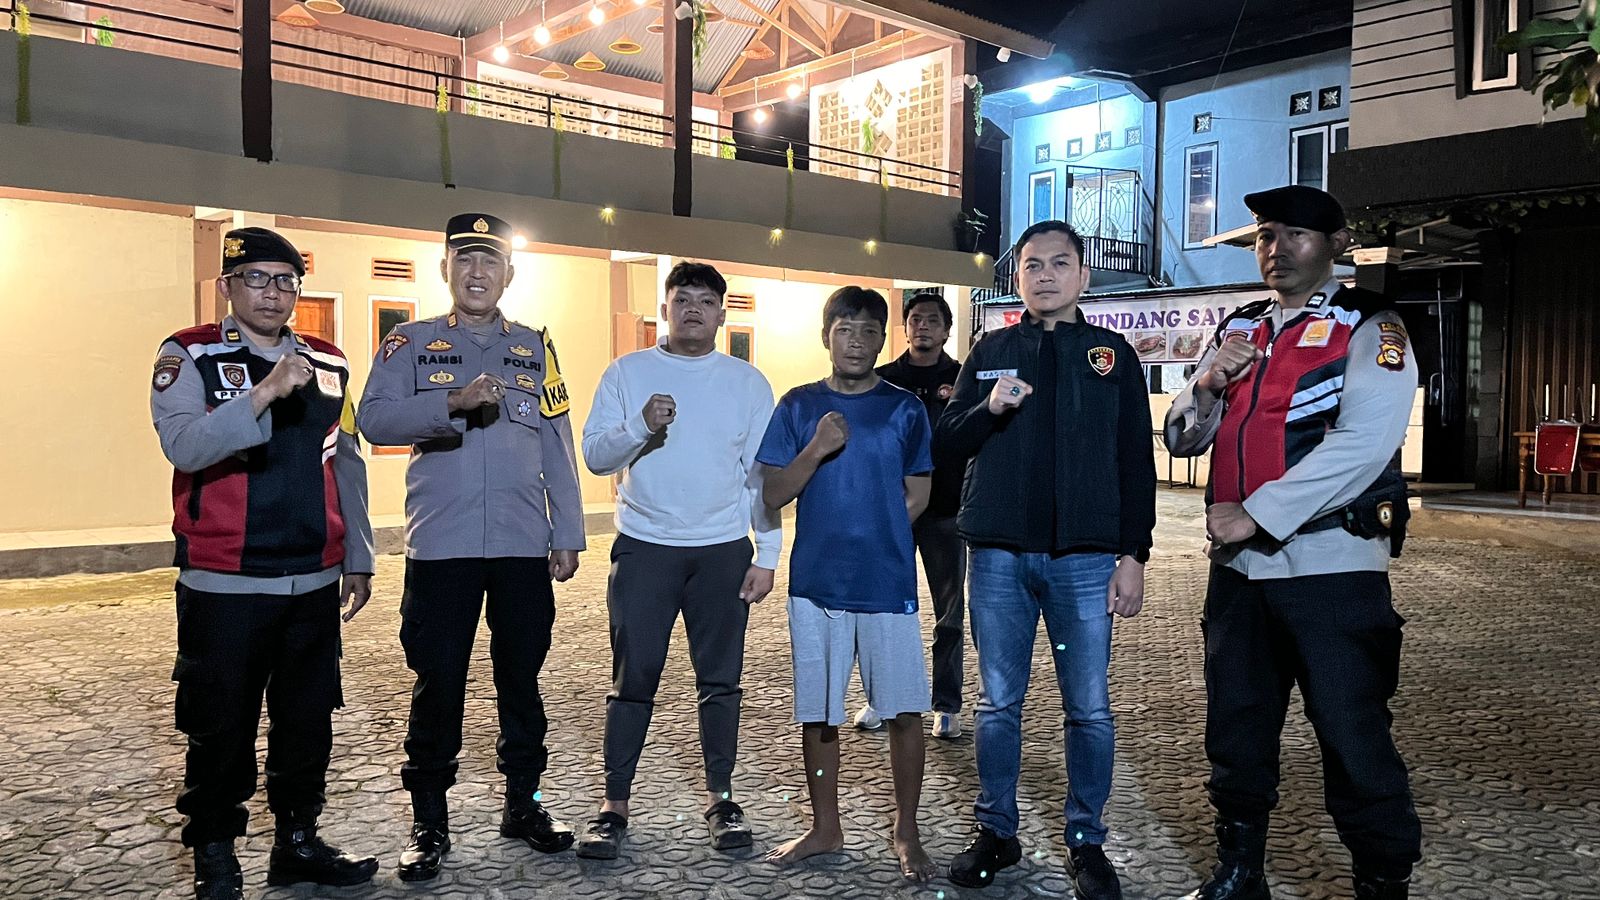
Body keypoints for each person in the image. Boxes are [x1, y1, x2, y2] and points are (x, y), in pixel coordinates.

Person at [1164, 185, 1420, 900]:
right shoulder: (1242, 325)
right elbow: (1182, 437)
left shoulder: (1371, 323)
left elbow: (1365, 443)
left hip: (1332, 568)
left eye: (1294, 235)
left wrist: (1257, 514)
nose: (1274, 249)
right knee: (1236, 730)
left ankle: (1382, 881)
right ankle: (1240, 872)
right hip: (1240, 575)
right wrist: (1208, 384)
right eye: (1264, 236)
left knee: (1352, 734)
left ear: (1335, 245)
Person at [150, 227, 379, 900]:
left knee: (307, 723)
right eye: (256, 278)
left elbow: (346, 461)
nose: (272, 293)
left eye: (285, 281)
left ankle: (297, 844)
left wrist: (358, 553)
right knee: (220, 727)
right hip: (225, 583)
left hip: (313, 579)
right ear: (227, 285)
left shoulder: (329, 361)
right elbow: (185, 445)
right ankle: (215, 857)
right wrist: (264, 392)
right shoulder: (189, 354)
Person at [357, 213, 585, 882]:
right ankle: (429, 822)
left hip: (521, 542)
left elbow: (557, 439)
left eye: (489, 260)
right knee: (438, 682)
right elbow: (373, 419)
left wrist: (568, 531)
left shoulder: (535, 347)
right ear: (445, 270)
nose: (476, 272)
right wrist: (451, 403)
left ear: (509, 273)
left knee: (522, 679)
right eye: (464, 259)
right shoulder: (408, 342)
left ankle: (525, 804)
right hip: (442, 545)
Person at [936, 220, 1155, 898]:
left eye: (1060, 264)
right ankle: (996, 831)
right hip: (998, 554)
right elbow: (948, 440)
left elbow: (1136, 460)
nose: (1046, 276)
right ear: (1017, 277)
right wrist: (989, 409)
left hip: (1084, 561)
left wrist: (1134, 554)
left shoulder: (1112, 355)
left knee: (1089, 708)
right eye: (1032, 265)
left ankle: (1086, 841)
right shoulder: (992, 350)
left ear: (1084, 276)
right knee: (998, 703)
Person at [574, 261, 780, 859]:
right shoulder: (627, 372)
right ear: (664, 308)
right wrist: (640, 425)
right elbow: (595, 456)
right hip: (645, 548)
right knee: (633, 678)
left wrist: (767, 554)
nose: (694, 309)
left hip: (722, 550)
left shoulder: (747, 383)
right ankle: (614, 805)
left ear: (721, 313)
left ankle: (722, 799)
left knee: (721, 681)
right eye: (682, 298)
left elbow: (760, 478)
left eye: (706, 301)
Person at [757, 286, 939, 883]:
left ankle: (906, 830)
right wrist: (816, 448)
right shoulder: (798, 404)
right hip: (817, 584)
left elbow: (919, 493)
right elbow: (773, 494)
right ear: (825, 336)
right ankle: (825, 826)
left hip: (887, 581)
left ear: (883, 339)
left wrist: (874, 530)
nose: (856, 342)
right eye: (845, 329)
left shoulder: (905, 409)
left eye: (868, 331)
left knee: (905, 711)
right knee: (820, 713)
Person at [857, 291, 969, 740]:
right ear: (905, 328)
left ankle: (947, 704)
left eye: (932, 320)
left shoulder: (963, 379)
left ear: (946, 330)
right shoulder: (884, 379)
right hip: (892, 511)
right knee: (884, 610)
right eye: (915, 319)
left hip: (946, 512)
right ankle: (880, 698)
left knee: (949, 615)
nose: (922, 326)